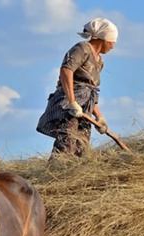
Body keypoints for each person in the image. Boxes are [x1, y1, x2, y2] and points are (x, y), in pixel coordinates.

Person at [37, 18, 117, 157]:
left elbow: (90, 92)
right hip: (68, 107)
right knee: (67, 143)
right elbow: (66, 70)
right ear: (103, 38)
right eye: (112, 42)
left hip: (84, 110)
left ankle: (73, 175)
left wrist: (99, 116)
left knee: (81, 149)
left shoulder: (99, 62)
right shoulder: (82, 48)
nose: (113, 46)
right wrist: (72, 102)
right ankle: (57, 174)